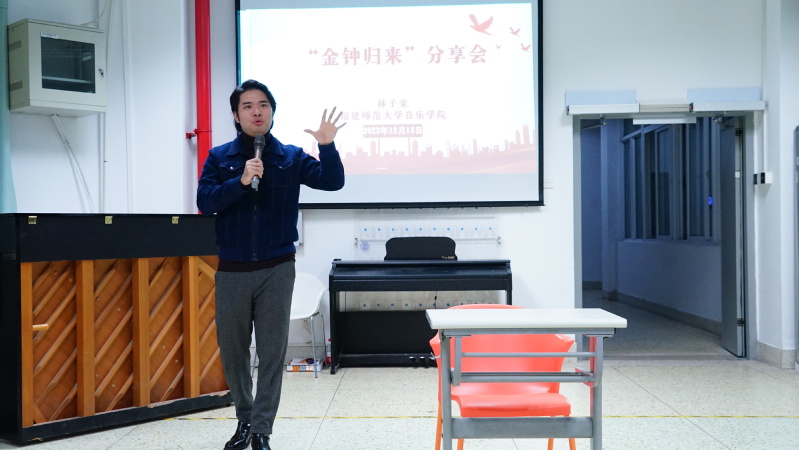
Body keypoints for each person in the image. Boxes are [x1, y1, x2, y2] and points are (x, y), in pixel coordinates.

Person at [197, 79, 345, 450]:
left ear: (272, 111)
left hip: (277, 267)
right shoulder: (219, 157)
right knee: (233, 351)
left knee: (272, 351)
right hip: (232, 269)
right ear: (236, 115)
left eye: (263, 104)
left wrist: (326, 147)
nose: (257, 111)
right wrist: (241, 180)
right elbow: (205, 202)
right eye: (248, 106)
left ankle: (262, 429)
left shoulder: (290, 157)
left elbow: (332, 182)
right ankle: (244, 419)